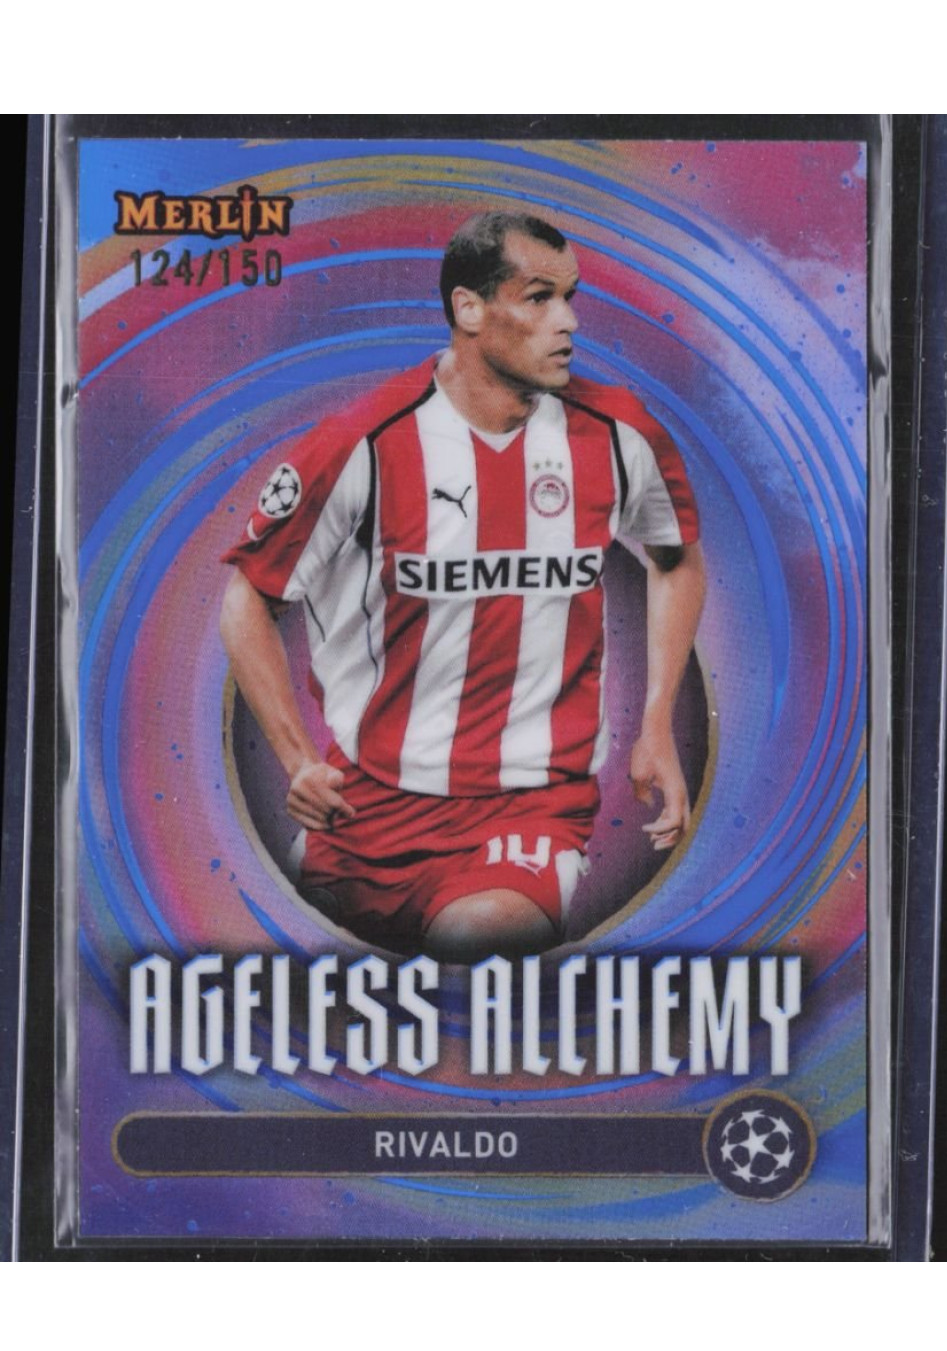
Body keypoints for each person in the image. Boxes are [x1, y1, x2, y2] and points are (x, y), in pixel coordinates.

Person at [221, 211, 705, 962]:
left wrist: (656, 724)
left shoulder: (618, 434)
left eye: (571, 297)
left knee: (474, 943)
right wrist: (296, 759)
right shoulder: (364, 442)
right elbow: (248, 597)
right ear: (469, 309)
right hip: (367, 805)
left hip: (532, 803)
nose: (569, 322)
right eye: (539, 298)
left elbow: (676, 558)